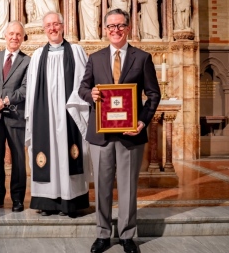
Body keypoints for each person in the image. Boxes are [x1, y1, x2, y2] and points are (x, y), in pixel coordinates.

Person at [79, 9, 161, 253]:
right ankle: (103, 234)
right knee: (102, 187)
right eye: (111, 26)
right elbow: (83, 88)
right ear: (105, 30)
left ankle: (127, 235)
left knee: (127, 188)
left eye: (120, 25)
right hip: (101, 135)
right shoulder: (95, 58)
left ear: (128, 28)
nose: (115, 30)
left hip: (130, 135)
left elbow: (154, 94)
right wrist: (90, 94)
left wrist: (143, 122)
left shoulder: (142, 57)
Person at [25, 11, 91, 217]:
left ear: (63, 26)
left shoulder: (77, 51)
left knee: (68, 152)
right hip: (44, 115)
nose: (52, 28)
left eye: (56, 24)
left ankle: (70, 202)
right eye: (48, 26)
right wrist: (32, 116)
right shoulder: (37, 56)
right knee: (47, 153)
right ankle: (48, 202)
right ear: (44, 29)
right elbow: (31, 91)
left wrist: (74, 107)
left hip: (69, 112)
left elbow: (84, 82)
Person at [0, 21, 30, 212]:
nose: (14, 37)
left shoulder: (28, 61)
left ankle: (17, 198)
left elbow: (26, 88)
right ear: (5, 35)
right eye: (11, 34)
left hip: (16, 116)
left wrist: (6, 100)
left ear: (23, 38)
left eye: (18, 34)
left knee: (18, 158)